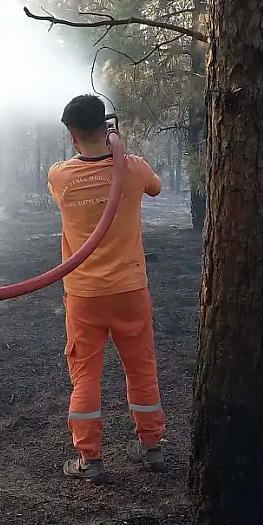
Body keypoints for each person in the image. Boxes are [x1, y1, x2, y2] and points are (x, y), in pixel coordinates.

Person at [47, 94, 166, 482]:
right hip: (131, 290)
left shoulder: (60, 177)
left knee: (85, 376)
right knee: (141, 367)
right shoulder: (132, 169)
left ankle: (89, 459)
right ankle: (150, 447)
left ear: (71, 133)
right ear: (107, 126)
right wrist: (121, 149)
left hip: (83, 296)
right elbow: (157, 188)